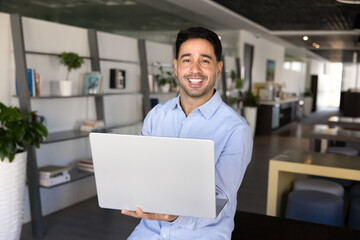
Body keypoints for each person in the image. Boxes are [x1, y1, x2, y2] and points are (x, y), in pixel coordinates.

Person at [122, 26, 253, 240]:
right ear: (175, 67)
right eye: (186, 60)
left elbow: (220, 200)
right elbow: (145, 174)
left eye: (204, 60)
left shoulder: (235, 129)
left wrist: (174, 216)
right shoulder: (156, 116)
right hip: (149, 231)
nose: (195, 70)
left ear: (218, 69)